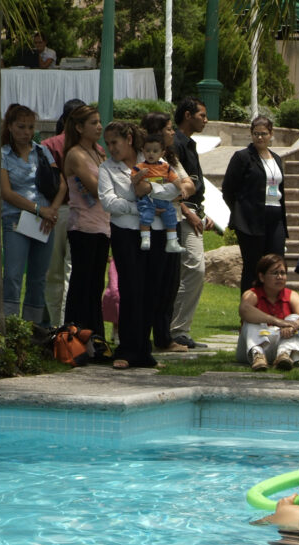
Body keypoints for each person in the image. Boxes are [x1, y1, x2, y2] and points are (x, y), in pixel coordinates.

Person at [98, 121, 184, 369]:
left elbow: (175, 188)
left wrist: (152, 191)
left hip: (156, 233)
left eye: (115, 142)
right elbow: (109, 202)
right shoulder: (107, 168)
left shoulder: (151, 158)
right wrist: (141, 209)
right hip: (125, 233)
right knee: (131, 289)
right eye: (108, 143)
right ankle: (127, 349)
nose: (111, 148)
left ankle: (144, 351)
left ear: (128, 139)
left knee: (152, 291)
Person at [0, 103, 65, 323]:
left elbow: (61, 184)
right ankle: (10, 324)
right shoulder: (3, 154)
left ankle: (34, 327)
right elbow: (6, 192)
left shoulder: (42, 151)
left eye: (30, 127)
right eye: (21, 127)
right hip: (16, 220)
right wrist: (38, 209)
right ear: (10, 126)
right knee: (13, 275)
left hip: (44, 221)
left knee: (38, 278)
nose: (26, 132)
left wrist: (52, 211)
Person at [140, 111, 194, 353]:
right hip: (154, 227)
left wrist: (177, 190)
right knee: (154, 282)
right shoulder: (145, 160)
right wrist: (172, 190)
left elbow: (188, 184)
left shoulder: (170, 159)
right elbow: (148, 189)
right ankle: (146, 336)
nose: (173, 132)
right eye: (169, 128)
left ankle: (164, 335)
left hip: (175, 221)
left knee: (171, 283)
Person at [222, 115, 287, 294]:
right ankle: (249, 307)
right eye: (256, 133)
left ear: (271, 134)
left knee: (276, 263)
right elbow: (228, 189)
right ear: (251, 134)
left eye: (263, 134)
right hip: (251, 220)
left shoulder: (276, 159)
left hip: (275, 216)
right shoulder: (242, 157)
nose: (259, 137)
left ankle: (272, 305)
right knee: (253, 266)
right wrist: (240, 211)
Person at [169, 96, 215, 349]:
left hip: (193, 211)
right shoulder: (176, 143)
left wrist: (202, 213)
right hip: (182, 213)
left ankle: (177, 329)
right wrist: (189, 213)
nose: (206, 120)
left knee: (188, 271)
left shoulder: (189, 143)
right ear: (188, 115)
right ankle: (177, 330)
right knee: (194, 268)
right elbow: (174, 187)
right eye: (202, 115)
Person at [62, 104, 110, 337]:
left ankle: (95, 337)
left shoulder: (99, 152)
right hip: (83, 226)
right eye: (93, 123)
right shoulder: (75, 154)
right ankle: (74, 335)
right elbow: (95, 188)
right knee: (81, 283)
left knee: (95, 285)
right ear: (79, 127)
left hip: (103, 225)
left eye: (99, 122)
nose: (99, 127)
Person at [42, 98, 87, 326]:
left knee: (54, 273)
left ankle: (56, 325)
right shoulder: (89, 148)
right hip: (80, 212)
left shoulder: (48, 145)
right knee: (72, 271)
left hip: (54, 212)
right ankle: (67, 325)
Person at [238, 253, 299, 371]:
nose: (280, 277)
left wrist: (295, 325)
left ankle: (284, 355)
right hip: (251, 348)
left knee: (294, 318)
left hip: (280, 344)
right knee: (251, 322)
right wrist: (277, 322)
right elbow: (244, 310)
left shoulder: (292, 295)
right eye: (275, 273)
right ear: (262, 277)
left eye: (283, 273)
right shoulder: (252, 294)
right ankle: (258, 356)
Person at [132, 134, 186, 253]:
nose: (151, 154)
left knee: (171, 215)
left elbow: (174, 179)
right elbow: (133, 181)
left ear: (162, 153)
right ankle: (145, 238)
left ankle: (172, 241)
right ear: (143, 151)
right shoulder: (139, 167)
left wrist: (181, 188)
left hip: (162, 197)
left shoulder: (166, 167)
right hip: (147, 198)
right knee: (146, 214)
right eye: (148, 150)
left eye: (155, 151)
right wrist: (140, 175)